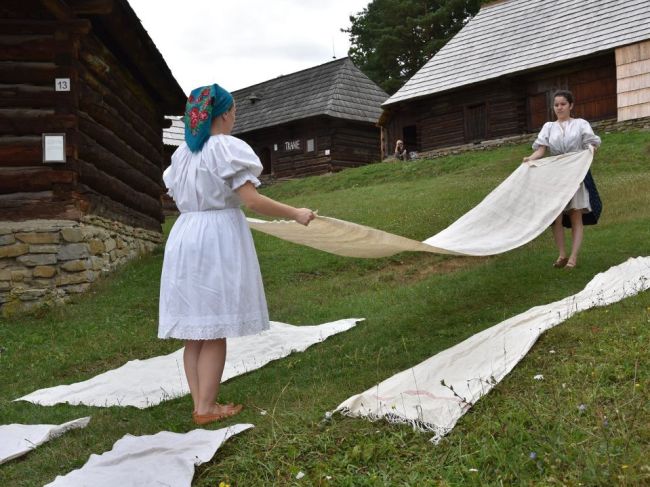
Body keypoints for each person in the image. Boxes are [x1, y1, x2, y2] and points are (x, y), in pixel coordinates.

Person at [159, 84, 315, 425]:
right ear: (226, 114)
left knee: (196, 330)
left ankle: (200, 404)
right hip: (216, 236)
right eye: (234, 112)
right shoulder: (226, 149)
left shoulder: (183, 154)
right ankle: (206, 407)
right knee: (214, 327)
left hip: (185, 235)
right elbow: (253, 201)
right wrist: (296, 213)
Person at [523, 89, 602, 269]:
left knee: (575, 214)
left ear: (571, 105)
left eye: (563, 104)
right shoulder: (548, 127)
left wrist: (590, 151)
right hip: (555, 175)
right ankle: (562, 254)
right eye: (556, 105)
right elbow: (541, 149)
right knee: (555, 216)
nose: (559, 108)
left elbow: (592, 143)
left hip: (575, 173)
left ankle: (573, 257)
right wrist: (530, 159)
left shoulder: (580, 124)